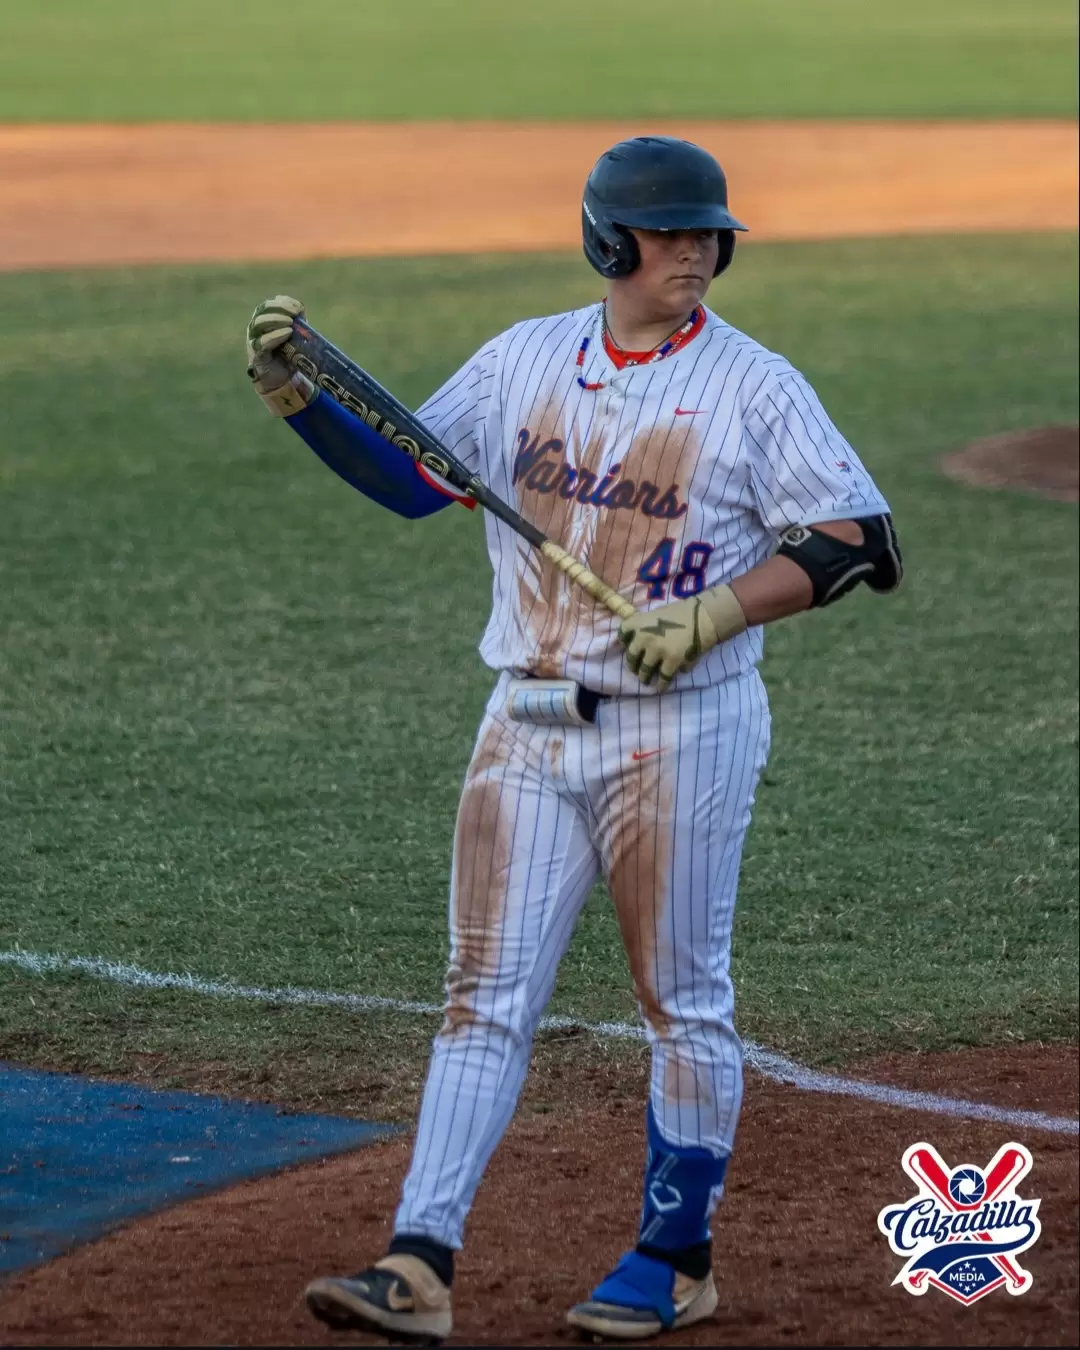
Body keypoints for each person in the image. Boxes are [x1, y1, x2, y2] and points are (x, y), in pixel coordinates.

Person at [245, 135, 901, 1345]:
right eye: (671, 233)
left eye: (709, 235)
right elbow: (416, 480)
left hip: (685, 732)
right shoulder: (524, 360)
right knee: (480, 999)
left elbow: (861, 540)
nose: (695, 252)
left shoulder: (754, 386)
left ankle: (675, 1259)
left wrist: (713, 614)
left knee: (681, 999)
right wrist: (300, 400)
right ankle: (418, 1262)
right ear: (609, 242)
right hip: (526, 723)